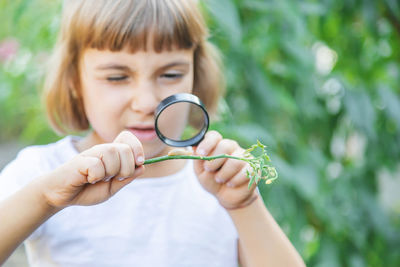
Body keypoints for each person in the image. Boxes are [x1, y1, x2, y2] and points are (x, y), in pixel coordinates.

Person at [0, 0, 305, 266]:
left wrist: (244, 205)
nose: (147, 103)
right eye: (117, 77)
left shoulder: (219, 181)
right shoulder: (39, 173)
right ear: (74, 81)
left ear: (196, 76)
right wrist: (47, 199)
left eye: (171, 74)